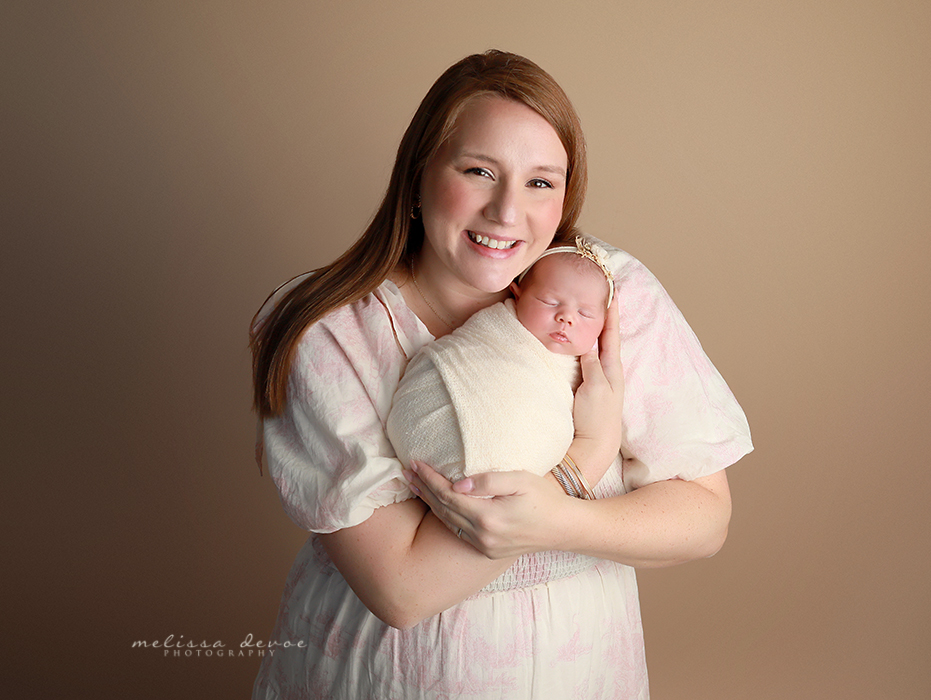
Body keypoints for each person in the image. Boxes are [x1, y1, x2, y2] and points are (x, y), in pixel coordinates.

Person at [250, 49, 752, 699]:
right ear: (418, 177)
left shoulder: (607, 290)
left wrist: (556, 519)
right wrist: (585, 459)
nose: (507, 210)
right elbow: (403, 589)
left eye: (542, 181)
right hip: (391, 675)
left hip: (582, 667)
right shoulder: (330, 329)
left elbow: (705, 517)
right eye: (480, 171)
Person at [387, 234, 617, 485]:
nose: (566, 317)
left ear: (604, 324)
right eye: (549, 302)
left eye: (585, 314)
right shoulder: (496, 328)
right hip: (425, 412)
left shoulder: (590, 374)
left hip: (504, 469)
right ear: (516, 295)